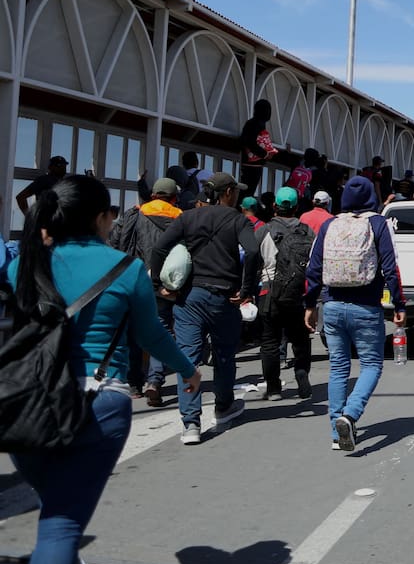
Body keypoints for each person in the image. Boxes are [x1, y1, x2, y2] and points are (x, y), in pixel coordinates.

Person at [3, 175, 200, 564]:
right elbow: (150, 336)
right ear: (99, 218)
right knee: (60, 524)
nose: (114, 224)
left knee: (56, 505)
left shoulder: (21, 264)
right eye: (112, 216)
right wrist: (188, 371)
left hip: (23, 408)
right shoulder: (124, 269)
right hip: (98, 404)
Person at [151, 172, 262, 445]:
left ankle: (191, 423)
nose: (237, 196)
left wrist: (158, 286)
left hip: (189, 298)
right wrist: (246, 290)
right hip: (224, 298)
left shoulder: (187, 217)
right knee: (224, 356)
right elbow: (254, 251)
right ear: (226, 193)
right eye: (235, 191)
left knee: (188, 358)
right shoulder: (238, 219)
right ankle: (224, 407)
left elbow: (159, 248)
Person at [304, 176, 404, 451]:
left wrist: (310, 306)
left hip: (332, 306)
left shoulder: (329, 224)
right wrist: (399, 305)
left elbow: (313, 268)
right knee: (371, 365)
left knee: (338, 367)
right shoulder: (378, 224)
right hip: (366, 307)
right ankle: (349, 416)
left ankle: (337, 434)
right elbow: (390, 267)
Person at [109, 177, 183, 405]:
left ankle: (134, 384)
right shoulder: (181, 217)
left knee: (131, 331)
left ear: (153, 195)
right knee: (160, 329)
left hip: (134, 280)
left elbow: (114, 243)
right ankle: (154, 380)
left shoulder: (135, 214)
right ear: (173, 198)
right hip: (164, 284)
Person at [257, 187, 314, 401]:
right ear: (297, 207)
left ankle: (273, 388)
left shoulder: (264, 230)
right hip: (298, 292)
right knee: (300, 338)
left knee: (270, 341)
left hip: (269, 291)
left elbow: (254, 259)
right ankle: (302, 375)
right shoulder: (307, 231)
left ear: (274, 206)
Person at [238, 99, 277, 198]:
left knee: (248, 191)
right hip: (251, 164)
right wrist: (265, 154)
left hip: (253, 164)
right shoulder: (254, 123)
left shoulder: (256, 123)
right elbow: (249, 142)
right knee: (247, 191)